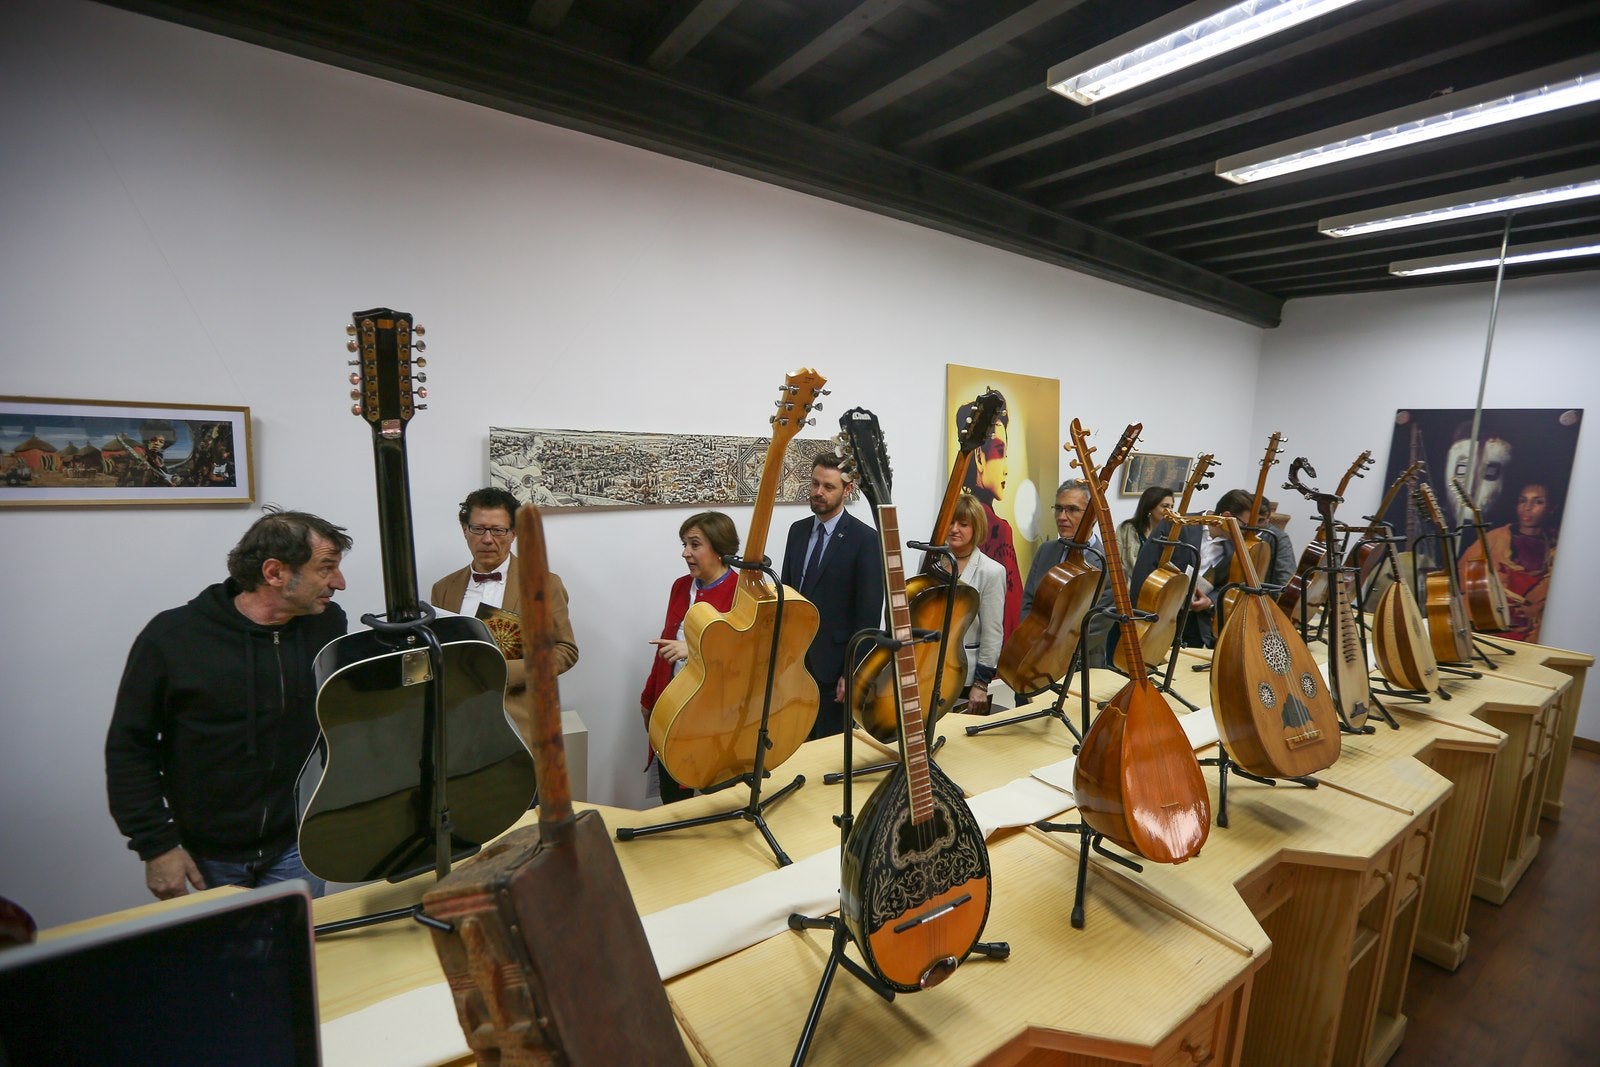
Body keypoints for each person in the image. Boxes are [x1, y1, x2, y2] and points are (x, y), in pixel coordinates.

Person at [106, 509, 352, 900]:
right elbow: (129, 748)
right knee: (224, 959)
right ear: (275, 573)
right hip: (207, 855)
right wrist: (156, 845)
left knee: (298, 953)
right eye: (326, 568)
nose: (338, 582)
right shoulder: (172, 638)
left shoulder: (325, 625)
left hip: (296, 843)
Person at [430, 487, 578, 740]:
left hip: (521, 722)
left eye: (498, 530)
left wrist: (502, 672)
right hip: (455, 723)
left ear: (514, 533)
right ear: (465, 530)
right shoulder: (443, 588)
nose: (487, 539)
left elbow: (565, 651)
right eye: (478, 529)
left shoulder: (544, 584)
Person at [780, 452, 884, 739]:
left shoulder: (865, 540)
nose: (818, 492)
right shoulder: (797, 532)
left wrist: (852, 673)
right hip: (794, 665)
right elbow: (789, 594)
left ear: (847, 490)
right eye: (814, 484)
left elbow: (868, 615)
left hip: (834, 666)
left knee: (827, 754)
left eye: (828, 487)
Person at [639, 512, 741, 803]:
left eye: (694, 544)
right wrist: (649, 699)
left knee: (716, 802)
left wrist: (695, 650)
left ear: (720, 548)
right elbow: (664, 649)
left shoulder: (742, 593)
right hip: (672, 707)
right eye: (684, 544)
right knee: (672, 797)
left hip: (716, 719)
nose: (685, 553)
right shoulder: (681, 586)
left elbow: (744, 659)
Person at [959, 392, 1023, 643]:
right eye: (1000, 452)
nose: (1006, 466)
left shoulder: (994, 525)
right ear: (979, 457)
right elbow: (1008, 613)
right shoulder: (996, 528)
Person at [1459, 482, 1559, 641]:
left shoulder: (1557, 546)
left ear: (1551, 508)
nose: (1528, 507)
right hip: (1490, 625)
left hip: (1531, 633)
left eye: (1538, 502)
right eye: (1523, 500)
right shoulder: (1495, 539)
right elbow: (1464, 578)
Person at [948, 492, 1006, 713]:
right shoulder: (932, 559)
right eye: (951, 522)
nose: (954, 529)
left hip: (967, 673)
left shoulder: (991, 571)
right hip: (929, 670)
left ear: (977, 528)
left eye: (963, 524)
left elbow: (993, 633)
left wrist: (981, 684)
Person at [1116, 486, 1175, 578]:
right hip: (1128, 584)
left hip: (1156, 586)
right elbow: (1115, 560)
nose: (1170, 511)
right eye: (1165, 506)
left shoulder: (1171, 534)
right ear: (1150, 507)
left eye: (1172, 507)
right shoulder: (1126, 528)